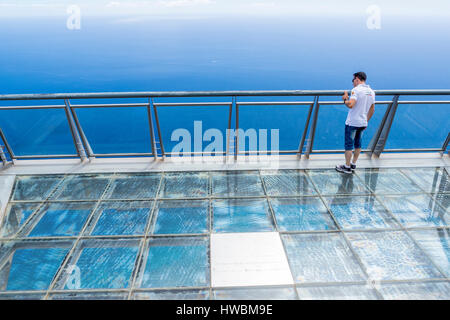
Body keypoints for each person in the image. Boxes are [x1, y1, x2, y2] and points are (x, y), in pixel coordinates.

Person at [336, 72, 375, 174]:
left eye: (353, 80)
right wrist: (366, 120)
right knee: (358, 144)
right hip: (363, 123)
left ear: (357, 79)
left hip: (353, 122)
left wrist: (345, 99)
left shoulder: (356, 90)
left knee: (349, 145)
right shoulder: (371, 92)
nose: (352, 82)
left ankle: (347, 167)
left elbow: (351, 105)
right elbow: (372, 109)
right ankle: (353, 164)